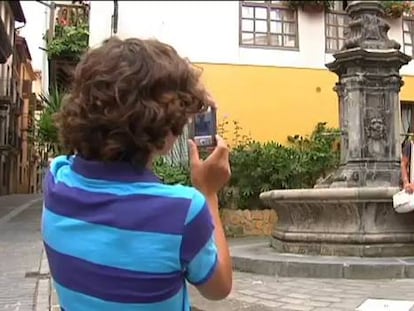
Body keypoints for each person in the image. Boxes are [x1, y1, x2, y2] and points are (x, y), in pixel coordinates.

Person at [42, 37, 232, 310]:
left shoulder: (56, 180)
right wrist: (209, 191)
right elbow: (219, 288)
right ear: (168, 130)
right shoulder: (184, 210)